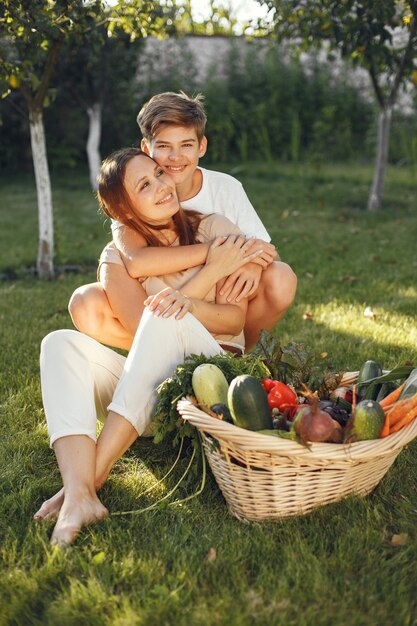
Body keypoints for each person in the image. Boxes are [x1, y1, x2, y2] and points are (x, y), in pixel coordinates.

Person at [35, 148, 265, 545]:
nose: (162, 185)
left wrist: (189, 303)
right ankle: (79, 492)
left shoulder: (213, 228)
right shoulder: (117, 258)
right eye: (145, 185)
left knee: (162, 315)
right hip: (150, 393)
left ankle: (90, 481)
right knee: (59, 344)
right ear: (124, 211)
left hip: (209, 385)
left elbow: (234, 322)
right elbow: (144, 333)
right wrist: (209, 273)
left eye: (159, 173)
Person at [69, 92, 297, 352]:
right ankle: (159, 352)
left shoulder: (224, 190)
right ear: (147, 149)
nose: (175, 158)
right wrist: (216, 254)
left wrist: (249, 263)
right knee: (87, 301)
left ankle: (238, 353)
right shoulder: (132, 198)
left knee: (280, 277)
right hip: (158, 296)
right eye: (164, 146)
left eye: (186, 145)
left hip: (222, 302)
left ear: (201, 147)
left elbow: (267, 249)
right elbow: (135, 261)